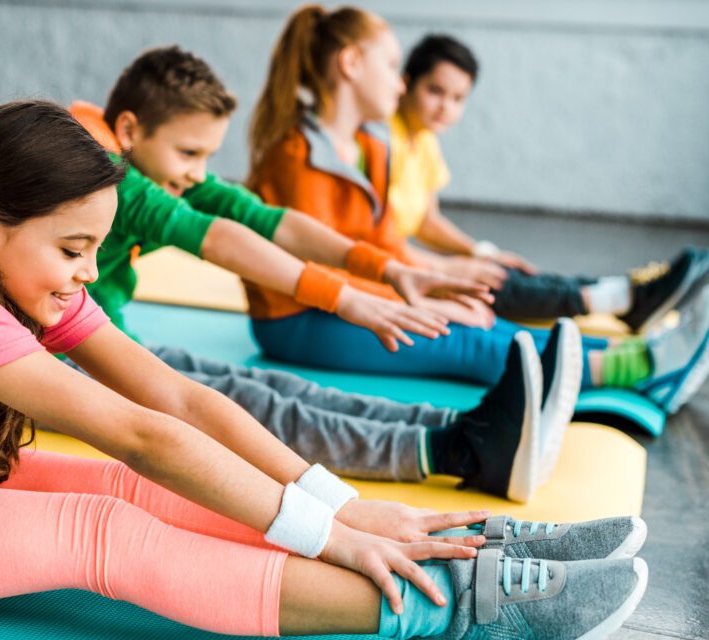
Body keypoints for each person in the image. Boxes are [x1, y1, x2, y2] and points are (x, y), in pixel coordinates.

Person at [0, 102, 648, 640]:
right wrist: (325, 536)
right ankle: (443, 612)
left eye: (95, 247)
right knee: (101, 534)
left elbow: (176, 401)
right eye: (73, 250)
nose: (85, 273)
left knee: (125, 492)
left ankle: (434, 543)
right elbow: (135, 431)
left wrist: (352, 513)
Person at [68, 45, 580, 501]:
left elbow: (267, 221)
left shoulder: (156, 168)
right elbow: (215, 237)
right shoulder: (106, 179)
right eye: (189, 153)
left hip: (98, 339)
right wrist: (342, 297)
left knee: (265, 385)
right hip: (62, 363)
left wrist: (388, 269)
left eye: (206, 156)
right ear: (132, 130)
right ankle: (456, 452)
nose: (199, 173)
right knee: (248, 406)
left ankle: (470, 427)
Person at [245, 4, 709, 417]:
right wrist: (414, 301)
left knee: (490, 321)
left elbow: (383, 242)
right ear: (351, 64)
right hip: (298, 318)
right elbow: (314, 269)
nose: (400, 79)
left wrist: (435, 284)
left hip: (353, 299)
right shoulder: (296, 157)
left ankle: (640, 354)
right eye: (391, 65)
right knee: (462, 339)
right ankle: (639, 370)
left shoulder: (369, 146)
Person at [387, 33, 709, 330]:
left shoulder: (425, 141)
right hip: (390, 267)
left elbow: (427, 221)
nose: (446, 107)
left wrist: (481, 252)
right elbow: (372, 237)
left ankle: (620, 292)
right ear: (406, 83)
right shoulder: (385, 139)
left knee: (503, 270)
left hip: (404, 259)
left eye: (458, 98)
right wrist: (449, 266)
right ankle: (620, 298)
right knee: (488, 282)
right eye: (435, 91)